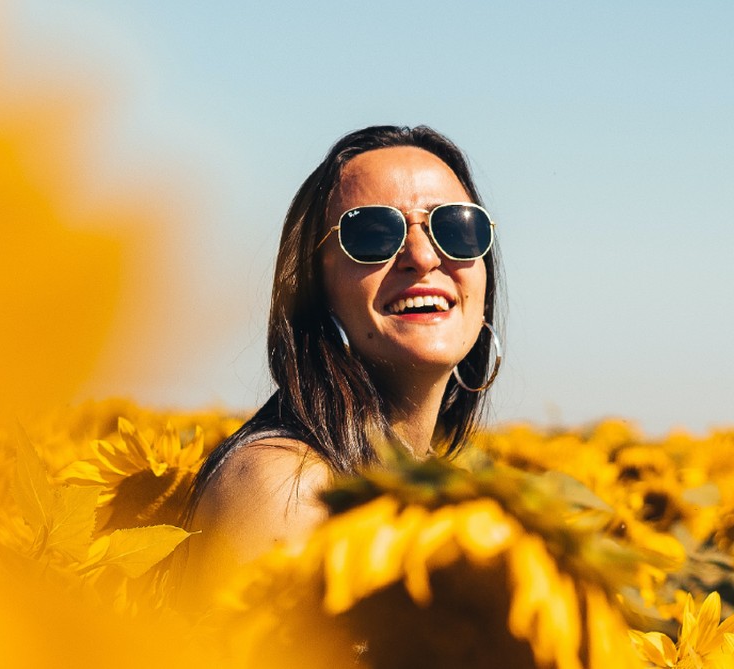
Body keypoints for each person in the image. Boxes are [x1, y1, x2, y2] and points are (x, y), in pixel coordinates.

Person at [186, 125, 503, 581]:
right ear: (315, 286)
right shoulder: (286, 490)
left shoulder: (446, 491)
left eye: (455, 227)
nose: (423, 255)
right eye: (373, 233)